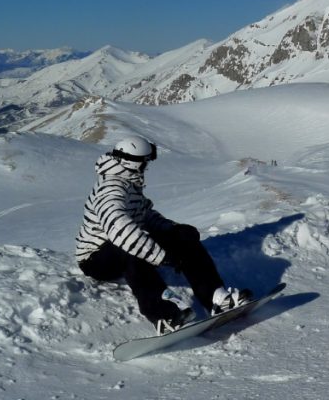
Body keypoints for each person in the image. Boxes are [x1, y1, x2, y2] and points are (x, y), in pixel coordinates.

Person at [75, 135, 251, 334]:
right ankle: (164, 315)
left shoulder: (129, 185)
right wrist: (160, 256)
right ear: (133, 163)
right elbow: (120, 229)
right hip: (95, 258)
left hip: (117, 246)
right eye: (144, 162)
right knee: (130, 249)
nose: (146, 167)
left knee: (182, 237)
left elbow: (146, 216)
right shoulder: (111, 188)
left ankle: (216, 298)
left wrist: (174, 230)